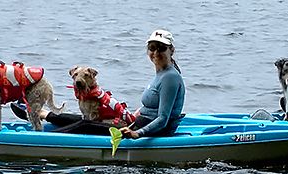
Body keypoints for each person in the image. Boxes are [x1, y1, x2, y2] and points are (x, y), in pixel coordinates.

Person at [11, 29, 185, 138]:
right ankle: (40, 114)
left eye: (161, 48)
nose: (156, 53)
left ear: (171, 50)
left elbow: (163, 119)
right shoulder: (162, 73)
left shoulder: (170, 77)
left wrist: (137, 133)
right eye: (152, 48)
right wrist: (135, 114)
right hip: (139, 121)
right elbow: (154, 105)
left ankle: (42, 139)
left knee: (85, 124)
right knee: (83, 118)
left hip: (150, 130)